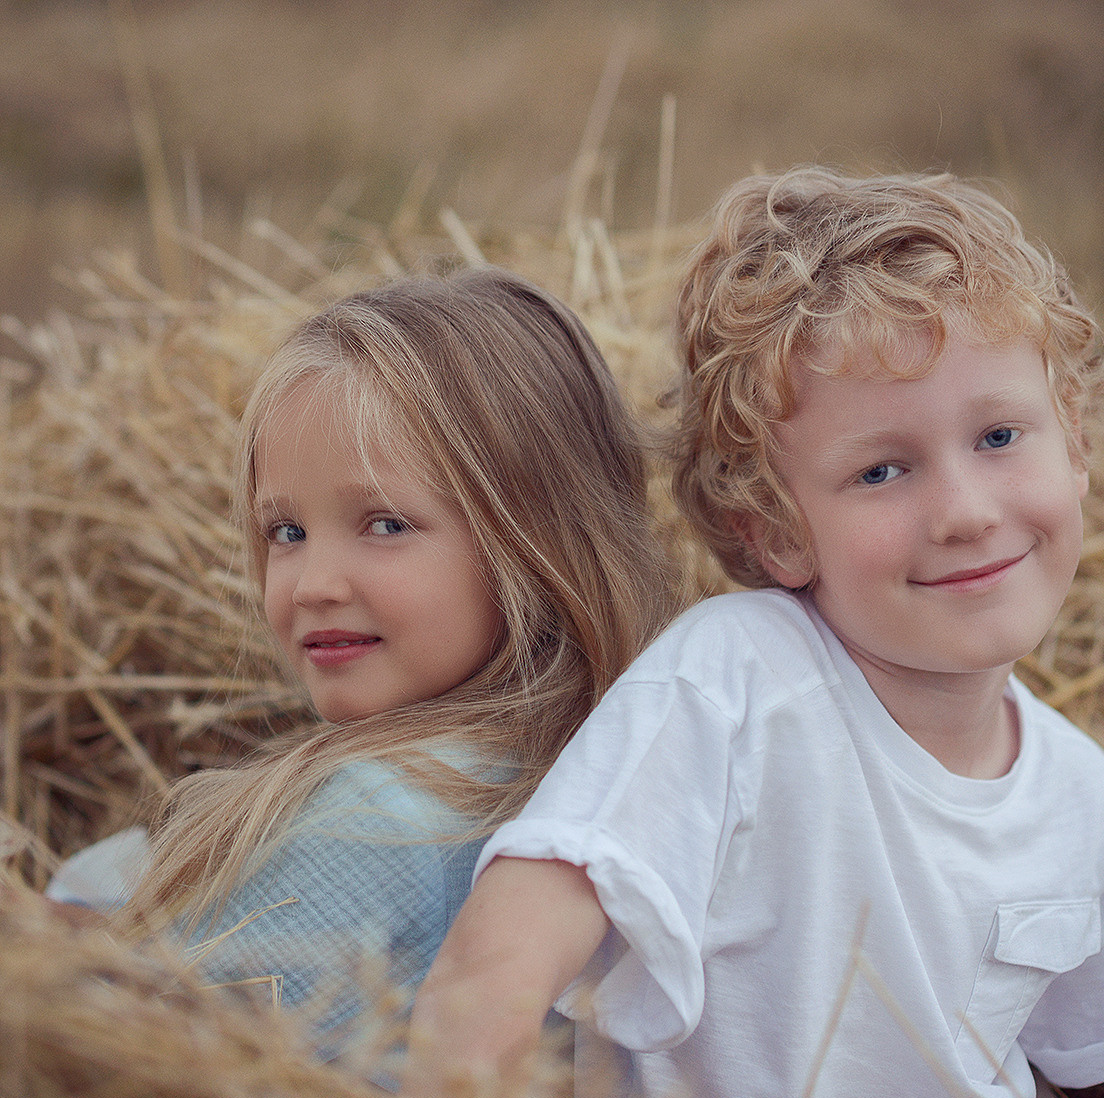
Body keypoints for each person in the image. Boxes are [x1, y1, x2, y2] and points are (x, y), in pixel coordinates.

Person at [408, 170, 1104, 1098]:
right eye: (882, 469)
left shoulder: (1078, 799)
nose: (962, 510)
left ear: (1072, 439)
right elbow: (506, 952)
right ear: (774, 527)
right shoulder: (735, 681)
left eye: (998, 436)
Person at [54, 267, 678, 1051]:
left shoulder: (370, 817)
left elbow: (113, 1055)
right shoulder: (606, 766)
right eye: (286, 531)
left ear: (534, 538)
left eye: (384, 525)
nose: (313, 584)